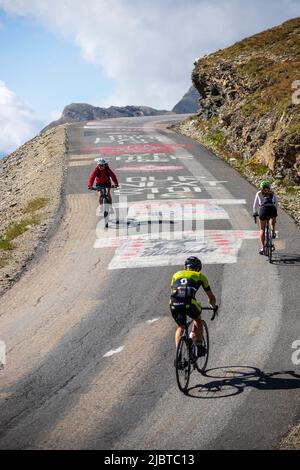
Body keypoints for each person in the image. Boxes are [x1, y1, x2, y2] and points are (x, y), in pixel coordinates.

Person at [170, 256, 217, 358]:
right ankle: (200, 347)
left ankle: (178, 354)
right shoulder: (200, 276)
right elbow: (211, 297)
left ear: (185, 267)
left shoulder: (176, 274)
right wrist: (213, 306)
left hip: (174, 302)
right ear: (198, 268)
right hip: (189, 302)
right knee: (198, 319)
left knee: (181, 327)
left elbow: (176, 290)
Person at [253, 180, 278, 255]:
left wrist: (255, 213)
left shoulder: (258, 193)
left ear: (261, 188)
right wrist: (275, 215)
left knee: (262, 229)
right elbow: (276, 204)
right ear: (269, 188)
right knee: (272, 220)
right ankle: (273, 231)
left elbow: (255, 206)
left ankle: (262, 247)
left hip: (263, 210)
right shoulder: (272, 193)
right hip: (272, 209)